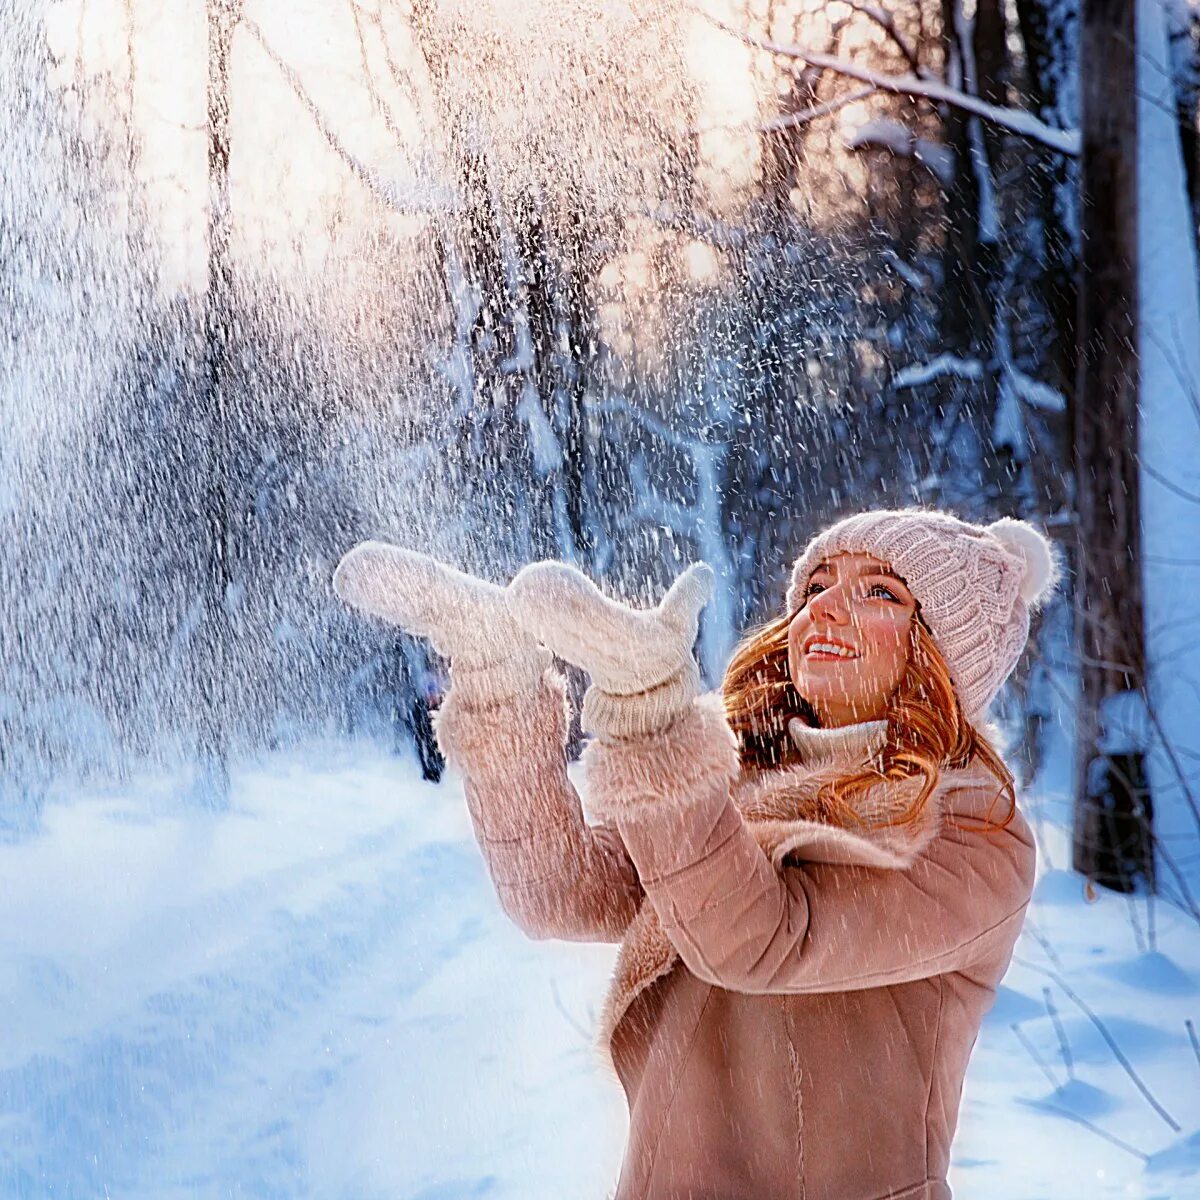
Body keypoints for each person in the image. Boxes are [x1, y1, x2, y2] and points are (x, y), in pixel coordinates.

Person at [332, 507, 1060, 1200]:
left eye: (880, 592)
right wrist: (499, 681)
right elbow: (562, 890)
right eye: (814, 586)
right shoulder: (738, 768)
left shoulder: (974, 834)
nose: (824, 609)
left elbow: (758, 940)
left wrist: (650, 715)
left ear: (944, 655)